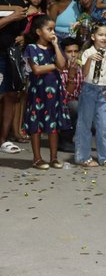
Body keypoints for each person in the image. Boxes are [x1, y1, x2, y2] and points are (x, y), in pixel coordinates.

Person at [22, 15, 70, 169]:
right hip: (38, 92)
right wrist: (54, 65)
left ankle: (54, 157)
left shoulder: (55, 47)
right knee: (36, 125)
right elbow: (36, 69)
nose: (52, 32)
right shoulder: (32, 48)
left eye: (54, 29)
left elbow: (63, 65)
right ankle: (37, 158)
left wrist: (56, 46)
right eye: (49, 29)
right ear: (38, 32)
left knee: (53, 124)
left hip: (54, 91)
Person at [75, 22, 106, 168]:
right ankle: (83, 156)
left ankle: (105, 157)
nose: (103, 38)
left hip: (103, 92)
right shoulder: (87, 52)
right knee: (85, 124)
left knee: (104, 125)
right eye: (100, 35)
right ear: (93, 36)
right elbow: (83, 73)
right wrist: (90, 59)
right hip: (88, 90)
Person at [0, 0, 28, 155]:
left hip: (11, 55)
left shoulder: (19, 1)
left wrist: (23, 36)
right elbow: (12, 20)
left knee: (11, 96)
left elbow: (24, 27)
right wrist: (11, 17)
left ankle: (3, 139)